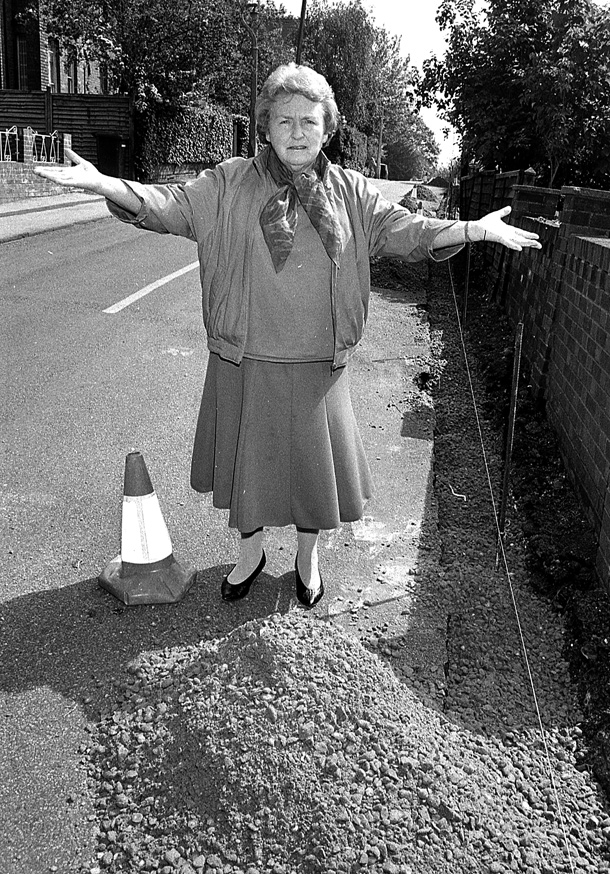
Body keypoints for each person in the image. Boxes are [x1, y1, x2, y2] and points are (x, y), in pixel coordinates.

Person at [34, 63, 541, 609]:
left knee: (310, 474)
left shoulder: (352, 193)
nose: (297, 133)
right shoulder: (227, 182)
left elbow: (408, 232)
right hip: (244, 359)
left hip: (320, 364)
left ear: (328, 128)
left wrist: (471, 229)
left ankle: (307, 557)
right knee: (250, 470)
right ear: (265, 128)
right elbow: (169, 205)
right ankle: (251, 556)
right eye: (284, 121)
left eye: (308, 121)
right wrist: (104, 184)